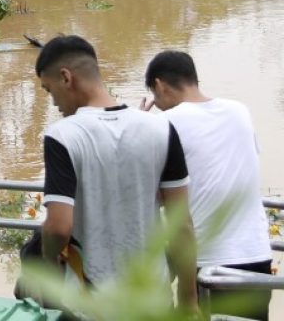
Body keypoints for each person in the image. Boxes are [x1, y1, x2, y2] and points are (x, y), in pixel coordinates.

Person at [34, 35, 198, 309]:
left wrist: (48, 262)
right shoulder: (161, 129)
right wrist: (188, 297)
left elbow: (59, 228)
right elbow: (181, 224)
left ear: (66, 77)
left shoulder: (62, 136)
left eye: (49, 91)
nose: (53, 103)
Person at [144, 50, 273, 320]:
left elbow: (152, 195)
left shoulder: (163, 124)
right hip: (256, 254)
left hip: (209, 264)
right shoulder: (240, 111)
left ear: (159, 85)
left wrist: (140, 125)